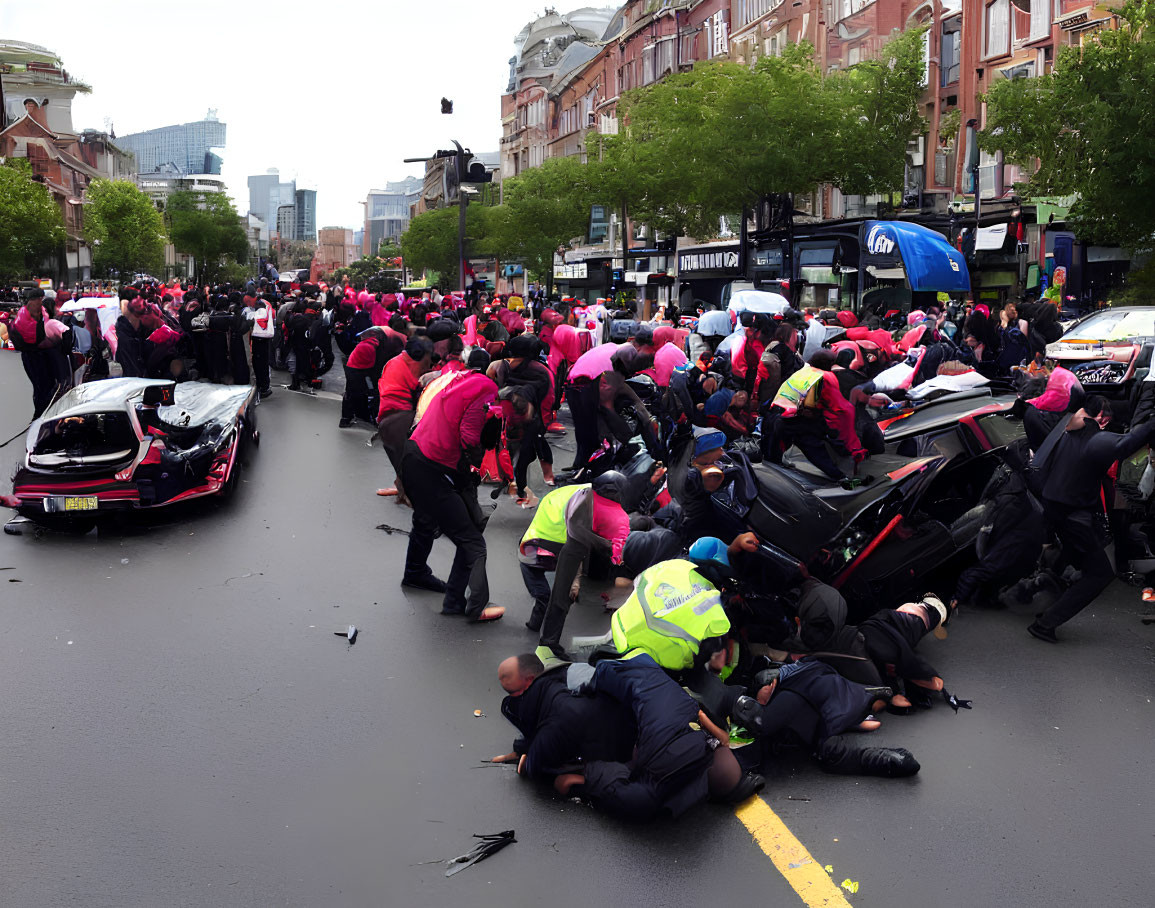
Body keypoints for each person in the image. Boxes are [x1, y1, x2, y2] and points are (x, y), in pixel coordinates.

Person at [1027, 396, 1155, 642]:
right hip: (1071, 517)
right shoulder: (1093, 439)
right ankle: (1045, 623)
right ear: (1100, 418)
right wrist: (1150, 424)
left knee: (1075, 560)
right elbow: (1126, 444)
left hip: (1055, 511)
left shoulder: (1067, 430)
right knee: (1099, 574)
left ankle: (1043, 603)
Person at [400, 349, 505, 622]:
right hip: (433, 464)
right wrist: (478, 456)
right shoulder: (487, 388)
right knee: (473, 541)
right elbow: (469, 436)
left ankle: (430, 585)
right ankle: (474, 607)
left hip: (417, 453)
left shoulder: (458, 379)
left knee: (436, 523)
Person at [519, 472, 630, 656]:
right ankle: (548, 644)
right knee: (563, 595)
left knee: (560, 590)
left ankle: (537, 624)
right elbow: (578, 536)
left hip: (550, 529)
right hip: (546, 540)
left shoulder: (591, 493)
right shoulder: (584, 509)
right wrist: (607, 546)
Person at [762, 349, 867, 482]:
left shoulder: (803, 371)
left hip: (774, 415)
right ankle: (840, 477)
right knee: (813, 446)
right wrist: (853, 445)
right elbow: (839, 409)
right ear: (828, 364)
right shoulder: (822, 377)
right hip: (792, 420)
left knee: (772, 462)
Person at [376, 336, 433, 503]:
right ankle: (407, 493)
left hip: (391, 417)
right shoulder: (409, 364)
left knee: (402, 458)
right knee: (405, 459)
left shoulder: (397, 361)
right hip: (400, 417)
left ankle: (403, 488)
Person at [9, 289, 57, 417]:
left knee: (39, 386)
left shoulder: (23, 311)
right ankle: (41, 416)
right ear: (39, 298)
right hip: (37, 354)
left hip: (28, 354)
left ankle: (39, 413)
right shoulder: (36, 311)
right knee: (44, 386)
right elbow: (39, 334)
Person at [248, 293, 276, 399]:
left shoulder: (260, 307)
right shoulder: (267, 305)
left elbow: (258, 321)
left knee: (259, 363)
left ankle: (263, 387)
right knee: (263, 363)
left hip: (258, 337)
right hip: (265, 338)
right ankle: (264, 387)